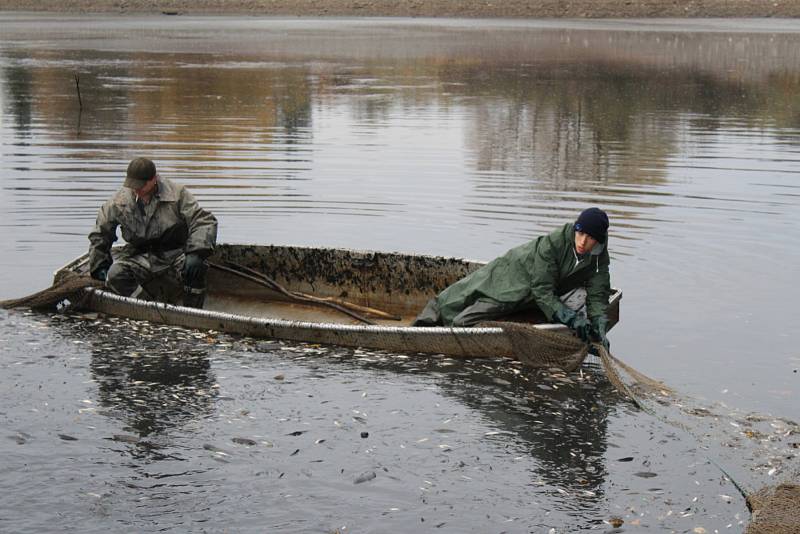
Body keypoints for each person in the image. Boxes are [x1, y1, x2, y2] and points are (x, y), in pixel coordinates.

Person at [412, 207, 612, 349]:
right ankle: (425, 326)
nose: (583, 241)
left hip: (540, 294)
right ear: (576, 229)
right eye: (580, 233)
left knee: (577, 302)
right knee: (461, 316)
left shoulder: (598, 256)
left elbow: (598, 293)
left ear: (599, 241)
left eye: (590, 237)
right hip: (513, 280)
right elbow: (542, 290)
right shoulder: (553, 244)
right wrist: (570, 319)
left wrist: (599, 325)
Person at [88, 157, 218, 308]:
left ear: (153, 179)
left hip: (175, 253)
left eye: (141, 185)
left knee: (197, 269)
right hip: (139, 255)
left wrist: (197, 253)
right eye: (132, 185)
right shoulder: (119, 201)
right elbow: (100, 233)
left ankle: (193, 311)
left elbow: (203, 220)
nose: (136, 190)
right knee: (115, 274)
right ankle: (144, 307)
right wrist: (99, 265)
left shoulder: (177, 194)